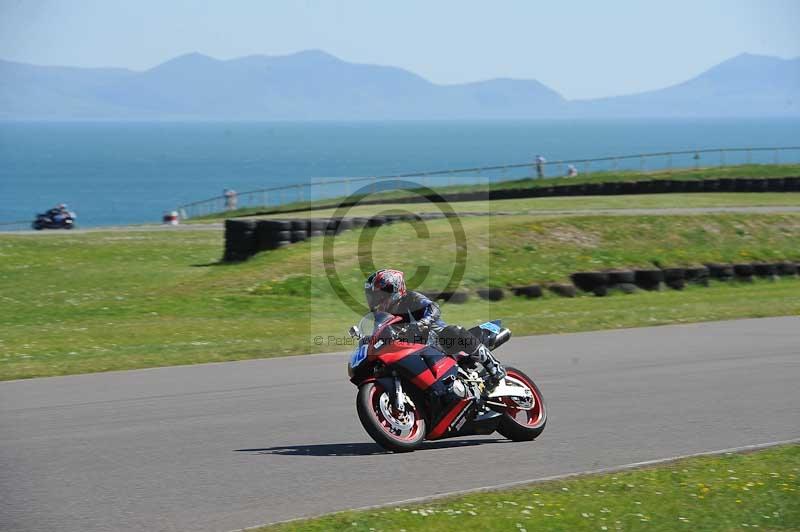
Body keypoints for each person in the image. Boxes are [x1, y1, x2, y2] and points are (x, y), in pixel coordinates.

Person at [364, 269, 506, 389]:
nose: (376, 300)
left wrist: (423, 322)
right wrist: (368, 341)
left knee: (453, 331)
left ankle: (494, 368)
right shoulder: (382, 317)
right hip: (415, 352)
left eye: (379, 295)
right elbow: (380, 333)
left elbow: (433, 308)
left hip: (440, 341)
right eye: (373, 297)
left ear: (393, 289)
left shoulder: (411, 298)